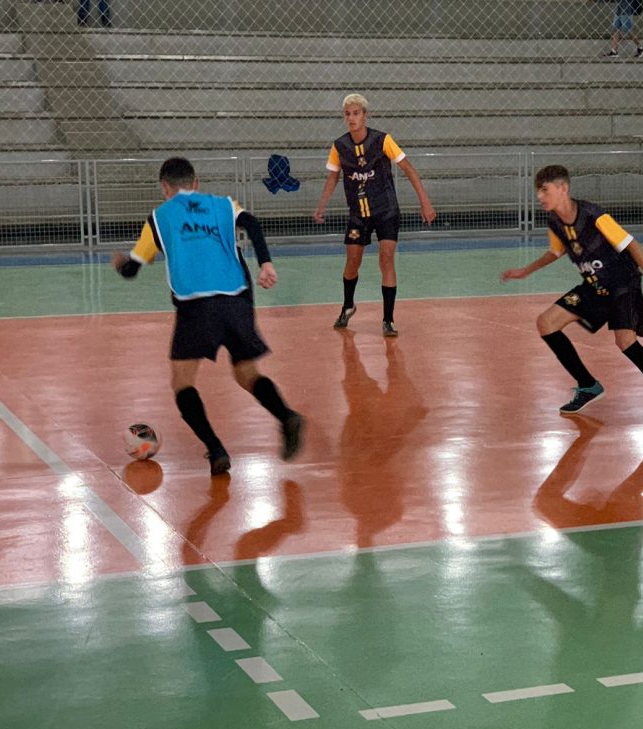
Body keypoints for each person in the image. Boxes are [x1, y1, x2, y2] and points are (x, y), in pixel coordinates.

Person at [112, 157, 304, 476]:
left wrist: (120, 263)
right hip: (237, 299)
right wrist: (266, 263)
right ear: (196, 182)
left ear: (165, 187)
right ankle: (286, 417)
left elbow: (132, 269)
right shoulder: (223, 204)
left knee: (182, 382)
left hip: (196, 306)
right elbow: (253, 224)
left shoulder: (159, 218)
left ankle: (216, 450)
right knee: (246, 374)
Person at [500, 164, 643, 423]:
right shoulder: (554, 221)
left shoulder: (594, 216)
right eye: (538, 191)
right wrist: (525, 271)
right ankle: (587, 385)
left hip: (623, 284)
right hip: (594, 286)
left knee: (625, 343)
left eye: (545, 190)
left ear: (563, 189)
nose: (540, 197)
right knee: (546, 323)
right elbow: (555, 252)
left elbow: (632, 245)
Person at [313, 93, 437, 337]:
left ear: (365, 115)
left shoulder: (382, 140)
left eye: (356, 113)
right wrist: (321, 206)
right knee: (352, 262)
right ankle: (348, 305)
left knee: (386, 259)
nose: (352, 118)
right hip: (358, 214)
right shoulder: (339, 146)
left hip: (386, 210)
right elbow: (333, 177)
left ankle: (388, 319)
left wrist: (425, 201)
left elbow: (408, 168)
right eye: (347, 114)